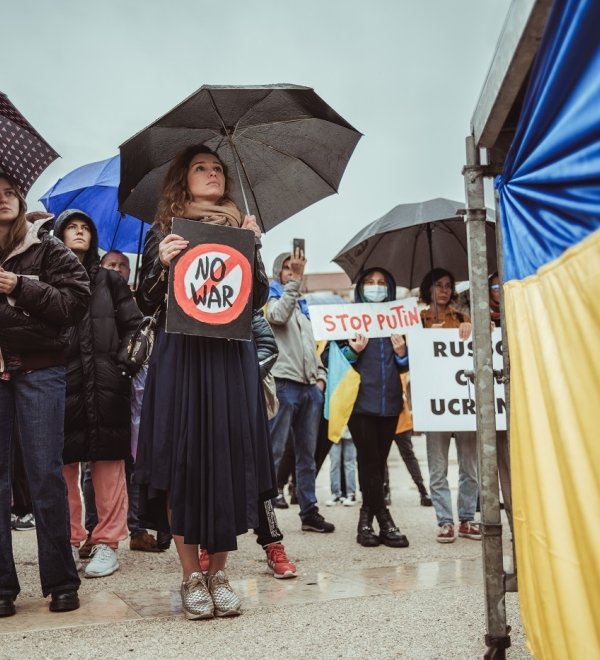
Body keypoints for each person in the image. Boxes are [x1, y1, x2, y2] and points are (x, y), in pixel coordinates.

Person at [135, 144, 276, 620]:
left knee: (229, 459)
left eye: (218, 169)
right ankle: (190, 574)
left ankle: (220, 572)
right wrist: (162, 263)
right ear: (183, 180)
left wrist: (254, 252)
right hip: (183, 357)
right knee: (183, 461)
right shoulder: (164, 233)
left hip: (229, 358)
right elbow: (143, 302)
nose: (212, 174)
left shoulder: (242, 230)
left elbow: (255, 301)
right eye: (202, 168)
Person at [0, 175, 90, 617]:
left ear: (20, 198)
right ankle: (1, 589)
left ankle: (61, 582)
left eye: (8, 191)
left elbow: (74, 303)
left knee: (45, 476)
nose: (1, 199)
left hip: (40, 371)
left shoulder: (47, 246)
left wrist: (18, 287)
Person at [54, 210, 142, 578]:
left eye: (85, 227)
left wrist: (123, 365)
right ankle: (71, 541)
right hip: (62, 385)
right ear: (59, 236)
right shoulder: (47, 280)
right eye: (72, 227)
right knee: (62, 468)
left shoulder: (110, 280)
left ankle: (108, 543)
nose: (79, 232)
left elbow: (135, 328)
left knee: (109, 467)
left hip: (108, 386)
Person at [80, 249, 161, 555]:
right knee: (96, 461)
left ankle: (137, 528)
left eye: (123, 265)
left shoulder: (141, 299)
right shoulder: (91, 293)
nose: (118, 269)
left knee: (135, 460)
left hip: (136, 387)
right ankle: (93, 530)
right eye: (111, 264)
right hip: (104, 385)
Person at [323, 268, 409, 548]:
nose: (376, 287)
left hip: (391, 402)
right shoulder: (349, 317)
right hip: (359, 401)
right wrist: (353, 351)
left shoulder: (400, 319)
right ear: (361, 287)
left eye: (381, 283)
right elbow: (329, 356)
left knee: (377, 462)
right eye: (370, 283)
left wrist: (401, 355)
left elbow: (409, 365)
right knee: (368, 459)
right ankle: (382, 517)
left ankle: (366, 520)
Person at [266, 251, 334, 534]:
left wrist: (320, 376)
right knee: (275, 451)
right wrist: (294, 282)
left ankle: (309, 511)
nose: (291, 271)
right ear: (277, 273)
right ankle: (264, 512)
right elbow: (278, 317)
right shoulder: (270, 300)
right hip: (284, 384)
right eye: (286, 268)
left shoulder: (304, 310)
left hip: (308, 388)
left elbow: (311, 348)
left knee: (307, 454)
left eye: (294, 269)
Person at [419, 268, 481, 544]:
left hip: (462, 403)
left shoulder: (462, 319)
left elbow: (478, 350)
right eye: (438, 285)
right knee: (438, 468)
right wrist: (425, 336)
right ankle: (445, 521)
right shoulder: (417, 319)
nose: (443, 290)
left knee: (470, 467)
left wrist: (474, 329)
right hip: (435, 405)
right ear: (428, 289)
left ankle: (467, 519)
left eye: (448, 285)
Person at [488, 272, 512, 530]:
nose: (498, 290)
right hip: (496, 407)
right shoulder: (478, 319)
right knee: (504, 469)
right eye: (493, 286)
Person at [388, 372, 432, 507]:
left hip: (401, 420)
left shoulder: (403, 367)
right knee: (381, 457)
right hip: (385, 418)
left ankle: (422, 489)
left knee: (408, 456)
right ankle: (384, 491)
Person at [325, 425, 357, 506]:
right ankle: (345, 494)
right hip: (339, 429)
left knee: (338, 463)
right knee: (344, 463)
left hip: (337, 428)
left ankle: (344, 494)